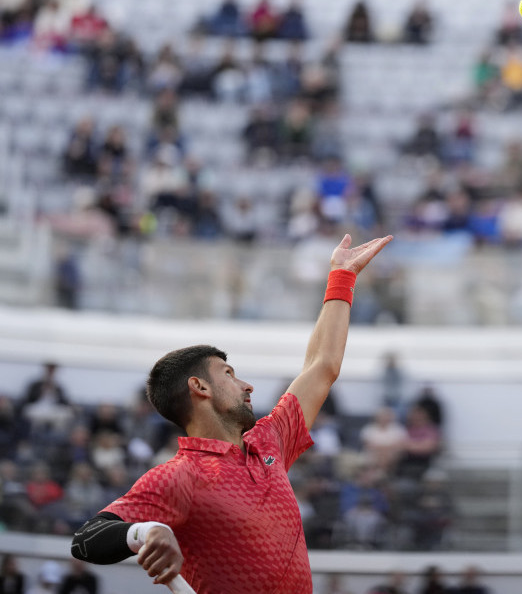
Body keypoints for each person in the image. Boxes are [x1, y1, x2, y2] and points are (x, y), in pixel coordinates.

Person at [70, 234, 393, 594]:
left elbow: (322, 367)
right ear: (200, 387)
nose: (247, 385)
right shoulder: (180, 477)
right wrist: (145, 531)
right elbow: (86, 540)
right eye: (229, 374)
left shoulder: (270, 441)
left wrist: (342, 276)